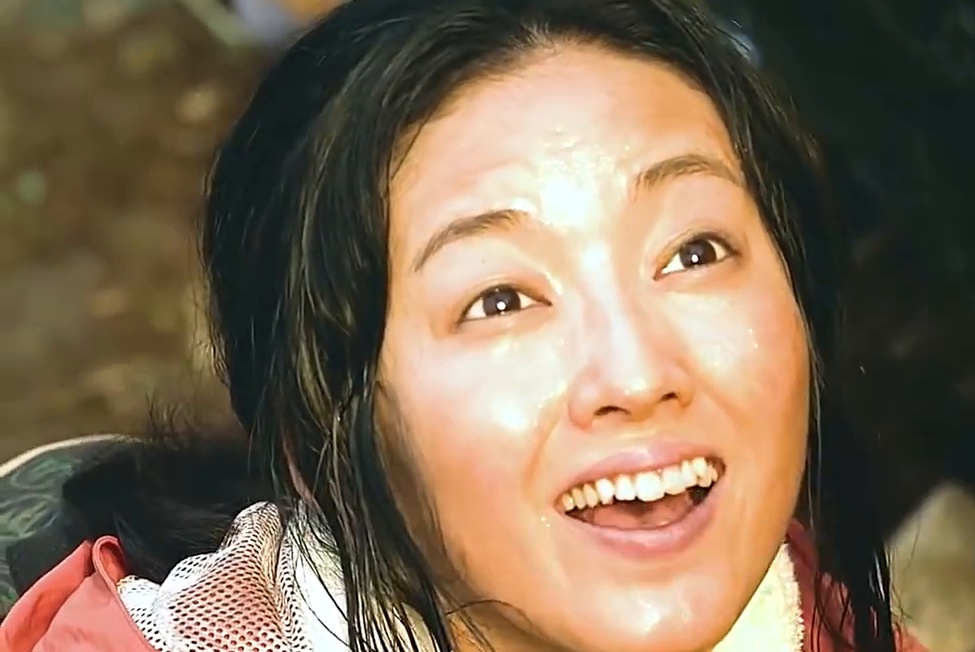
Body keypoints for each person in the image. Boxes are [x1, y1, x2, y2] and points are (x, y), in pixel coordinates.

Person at [0, 1, 926, 651]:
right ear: (314, 440)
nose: (640, 373)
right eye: (500, 300)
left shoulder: (811, 619)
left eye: (693, 251)